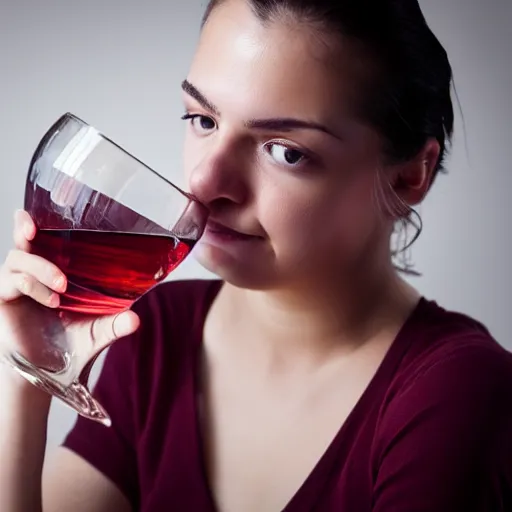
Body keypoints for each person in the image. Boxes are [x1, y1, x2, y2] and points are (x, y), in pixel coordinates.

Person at [1, 0, 512, 510]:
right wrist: (26, 374)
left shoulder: (457, 395)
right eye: (202, 119)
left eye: (287, 151)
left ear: (408, 177)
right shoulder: (156, 333)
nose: (204, 182)